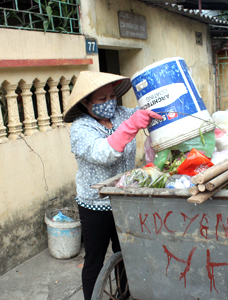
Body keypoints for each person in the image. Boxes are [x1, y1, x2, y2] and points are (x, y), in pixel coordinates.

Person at [63, 71, 162, 300]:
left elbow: (143, 116)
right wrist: (131, 126)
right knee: (95, 262)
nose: (109, 103)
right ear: (86, 103)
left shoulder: (120, 114)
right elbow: (104, 153)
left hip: (123, 200)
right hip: (95, 205)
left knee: (126, 255)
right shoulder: (81, 128)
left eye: (111, 96)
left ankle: (125, 294)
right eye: (101, 99)